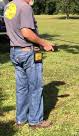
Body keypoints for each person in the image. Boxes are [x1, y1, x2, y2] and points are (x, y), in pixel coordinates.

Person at [4, 0, 54, 128]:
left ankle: (21, 119)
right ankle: (35, 121)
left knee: (21, 87)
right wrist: (44, 43)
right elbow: (26, 32)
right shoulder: (25, 7)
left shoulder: (9, 6)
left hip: (15, 51)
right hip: (28, 52)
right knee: (35, 87)